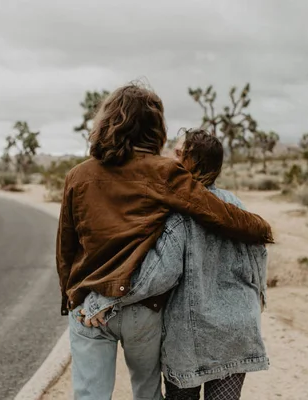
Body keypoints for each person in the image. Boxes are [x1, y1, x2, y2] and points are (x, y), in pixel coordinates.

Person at [56, 83, 274, 400]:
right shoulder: (164, 172)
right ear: (154, 127)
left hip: (89, 302)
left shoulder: (77, 176)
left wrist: (71, 296)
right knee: (147, 392)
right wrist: (262, 228)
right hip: (142, 307)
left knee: (89, 396)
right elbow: (216, 213)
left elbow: (65, 248)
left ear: (106, 121)